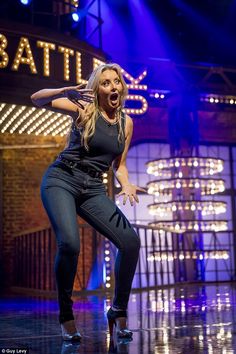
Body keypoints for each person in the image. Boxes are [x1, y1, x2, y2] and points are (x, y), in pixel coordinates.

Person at [31, 63, 145, 342]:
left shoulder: (126, 123)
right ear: (98, 90)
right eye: (105, 83)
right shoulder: (85, 110)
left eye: (116, 82)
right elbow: (36, 98)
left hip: (94, 188)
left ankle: (117, 310)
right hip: (62, 179)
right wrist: (63, 90)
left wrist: (126, 183)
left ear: (122, 86)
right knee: (70, 243)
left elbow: (119, 165)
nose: (112, 87)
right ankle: (66, 316)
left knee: (130, 242)